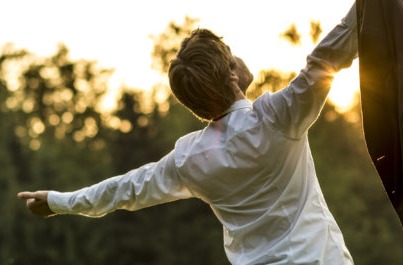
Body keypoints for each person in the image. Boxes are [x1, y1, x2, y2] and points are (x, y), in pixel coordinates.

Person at [18, 3, 358, 264]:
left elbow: (124, 190)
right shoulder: (277, 118)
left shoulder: (189, 159)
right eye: (231, 55)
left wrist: (57, 202)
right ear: (233, 75)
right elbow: (324, 60)